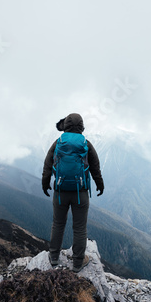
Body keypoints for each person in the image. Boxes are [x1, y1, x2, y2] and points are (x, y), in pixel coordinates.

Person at [42, 113, 104, 272]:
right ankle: (78, 262)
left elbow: (48, 164)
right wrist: (99, 184)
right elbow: (95, 167)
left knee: (58, 224)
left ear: (66, 126)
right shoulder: (86, 144)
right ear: (81, 126)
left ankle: (54, 256)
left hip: (60, 191)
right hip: (80, 193)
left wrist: (45, 183)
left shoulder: (58, 143)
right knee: (79, 227)